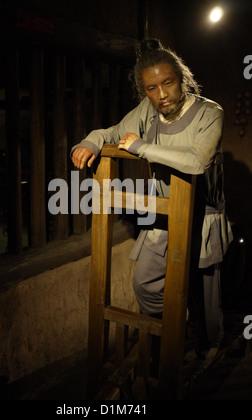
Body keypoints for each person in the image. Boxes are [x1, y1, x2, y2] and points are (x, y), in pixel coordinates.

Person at [71, 39, 233, 357]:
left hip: (203, 215)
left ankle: (209, 347)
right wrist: (90, 142)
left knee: (205, 296)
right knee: (146, 283)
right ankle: (174, 330)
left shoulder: (209, 113)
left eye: (168, 83)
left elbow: (197, 161)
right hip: (165, 213)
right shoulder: (149, 109)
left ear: (182, 78)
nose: (161, 95)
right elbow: (116, 132)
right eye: (151, 88)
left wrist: (141, 147)